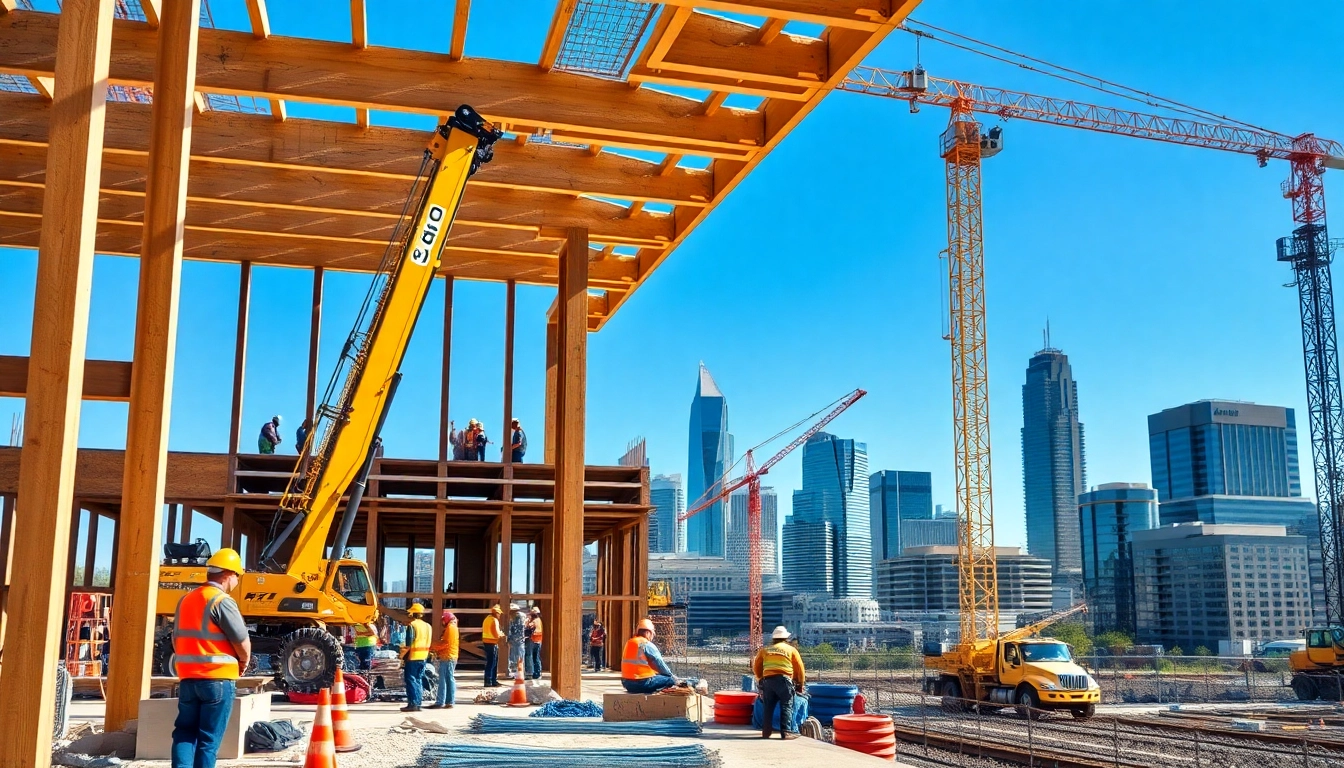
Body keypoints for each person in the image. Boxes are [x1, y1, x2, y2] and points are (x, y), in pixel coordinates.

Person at [170, 548, 251, 768]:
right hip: (217, 680)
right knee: (208, 740)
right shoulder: (221, 601)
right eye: (237, 575)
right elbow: (241, 640)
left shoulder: (185, 600)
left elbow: (175, 639)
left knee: (184, 733)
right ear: (227, 574)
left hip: (188, 679)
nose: (236, 581)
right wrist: (243, 661)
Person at [753, 626, 806, 740]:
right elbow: (799, 668)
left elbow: (756, 667)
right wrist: (800, 684)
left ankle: (766, 732)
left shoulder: (765, 650)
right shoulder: (791, 650)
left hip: (767, 681)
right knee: (787, 705)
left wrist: (761, 679)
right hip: (784, 680)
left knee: (768, 706)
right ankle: (786, 732)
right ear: (786, 638)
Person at [621, 618, 689, 694]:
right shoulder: (645, 644)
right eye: (653, 633)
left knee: (659, 677)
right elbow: (660, 664)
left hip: (627, 683)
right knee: (670, 680)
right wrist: (672, 677)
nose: (653, 636)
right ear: (648, 633)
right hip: (641, 683)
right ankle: (693, 683)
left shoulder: (630, 642)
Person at [399, 604, 432, 712]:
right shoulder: (428, 626)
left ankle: (412, 703)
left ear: (412, 614)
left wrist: (401, 656)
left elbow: (409, 643)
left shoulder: (412, 625)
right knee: (418, 679)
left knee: (411, 679)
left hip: (413, 657)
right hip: (423, 657)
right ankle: (417, 703)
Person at [428, 610, 459, 709]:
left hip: (448, 657)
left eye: (443, 620)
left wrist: (433, 647)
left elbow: (445, 643)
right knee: (447, 679)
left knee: (445, 680)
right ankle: (447, 701)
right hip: (449, 656)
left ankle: (443, 701)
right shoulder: (452, 627)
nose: (442, 622)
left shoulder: (450, 628)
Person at [481, 604, 503, 687]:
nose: (500, 615)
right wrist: (501, 634)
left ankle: (489, 680)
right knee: (493, 662)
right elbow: (496, 633)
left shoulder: (486, 619)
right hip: (492, 643)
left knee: (489, 662)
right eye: (499, 614)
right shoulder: (494, 620)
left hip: (486, 642)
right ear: (496, 613)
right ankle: (491, 680)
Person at [506, 604, 527, 674]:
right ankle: (519, 672)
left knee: (514, 656)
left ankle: (515, 672)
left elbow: (511, 629)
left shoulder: (514, 618)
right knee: (519, 656)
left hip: (515, 640)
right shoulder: (523, 616)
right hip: (520, 640)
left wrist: (508, 639)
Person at [524, 606, 543, 680]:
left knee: (529, 656)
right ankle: (537, 673)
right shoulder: (539, 620)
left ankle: (529, 673)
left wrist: (527, 621)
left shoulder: (534, 621)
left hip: (532, 640)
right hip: (538, 641)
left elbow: (528, 628)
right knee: (536, 657)